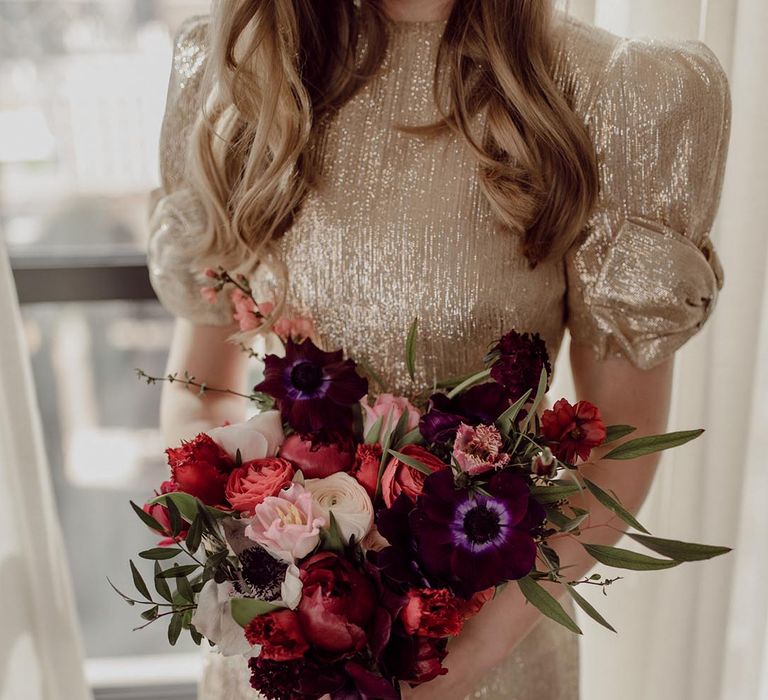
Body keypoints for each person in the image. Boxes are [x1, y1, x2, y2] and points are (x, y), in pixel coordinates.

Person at [146, 1, 730, 698]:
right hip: (279, 653)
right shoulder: (243, 72)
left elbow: (618, 435)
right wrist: (269, 569)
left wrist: (465, 658)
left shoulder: (608, 90)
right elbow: (198, 389)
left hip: (482, 653)